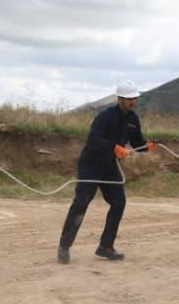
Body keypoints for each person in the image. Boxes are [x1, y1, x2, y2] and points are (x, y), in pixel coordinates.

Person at [57, 79, 151, 264]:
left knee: (119, 202)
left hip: (110, 167)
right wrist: (113, 148)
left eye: (135, 98)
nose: (133, 102)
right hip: (91, 165)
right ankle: (64, 247)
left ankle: (105, 247)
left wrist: (148, 146)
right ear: (120, 99)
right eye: (129, 98)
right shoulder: (105, 116)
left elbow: (138, 144)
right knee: (81, 202)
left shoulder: (133, 119)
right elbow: (93, 140)